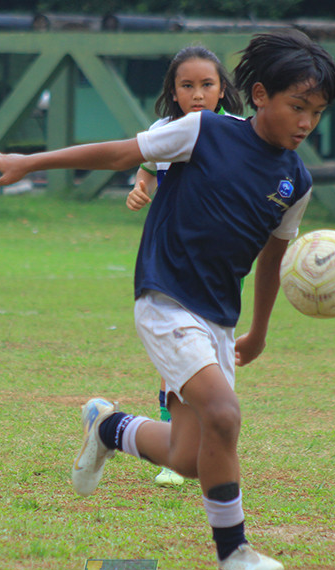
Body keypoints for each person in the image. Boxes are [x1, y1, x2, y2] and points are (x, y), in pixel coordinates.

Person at [0, 29, 335, 570]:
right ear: (263, 94)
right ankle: (235, 553)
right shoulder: (204, 130)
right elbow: (123, 151)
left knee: (187, 457)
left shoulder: (296, 180)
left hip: (218, 318)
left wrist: (260, 331)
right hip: (165, 297)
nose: (305, 123)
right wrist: (32, 162)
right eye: (298, 106)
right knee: (224, 414)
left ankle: (110, 426)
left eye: (316, 113)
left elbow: (274, 261)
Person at [125, 45, 244, 489]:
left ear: (222, 90)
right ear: (173, 92)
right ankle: (175, 444)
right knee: (178, 364)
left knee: (208, 364)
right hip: (171, 261)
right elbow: (147, 168)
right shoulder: (164, 130)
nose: (197, 94)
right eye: (187, 86)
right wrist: (140, 189)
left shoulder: (236, 132)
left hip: (216, 267)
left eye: (206, 85)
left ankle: (191, 445)